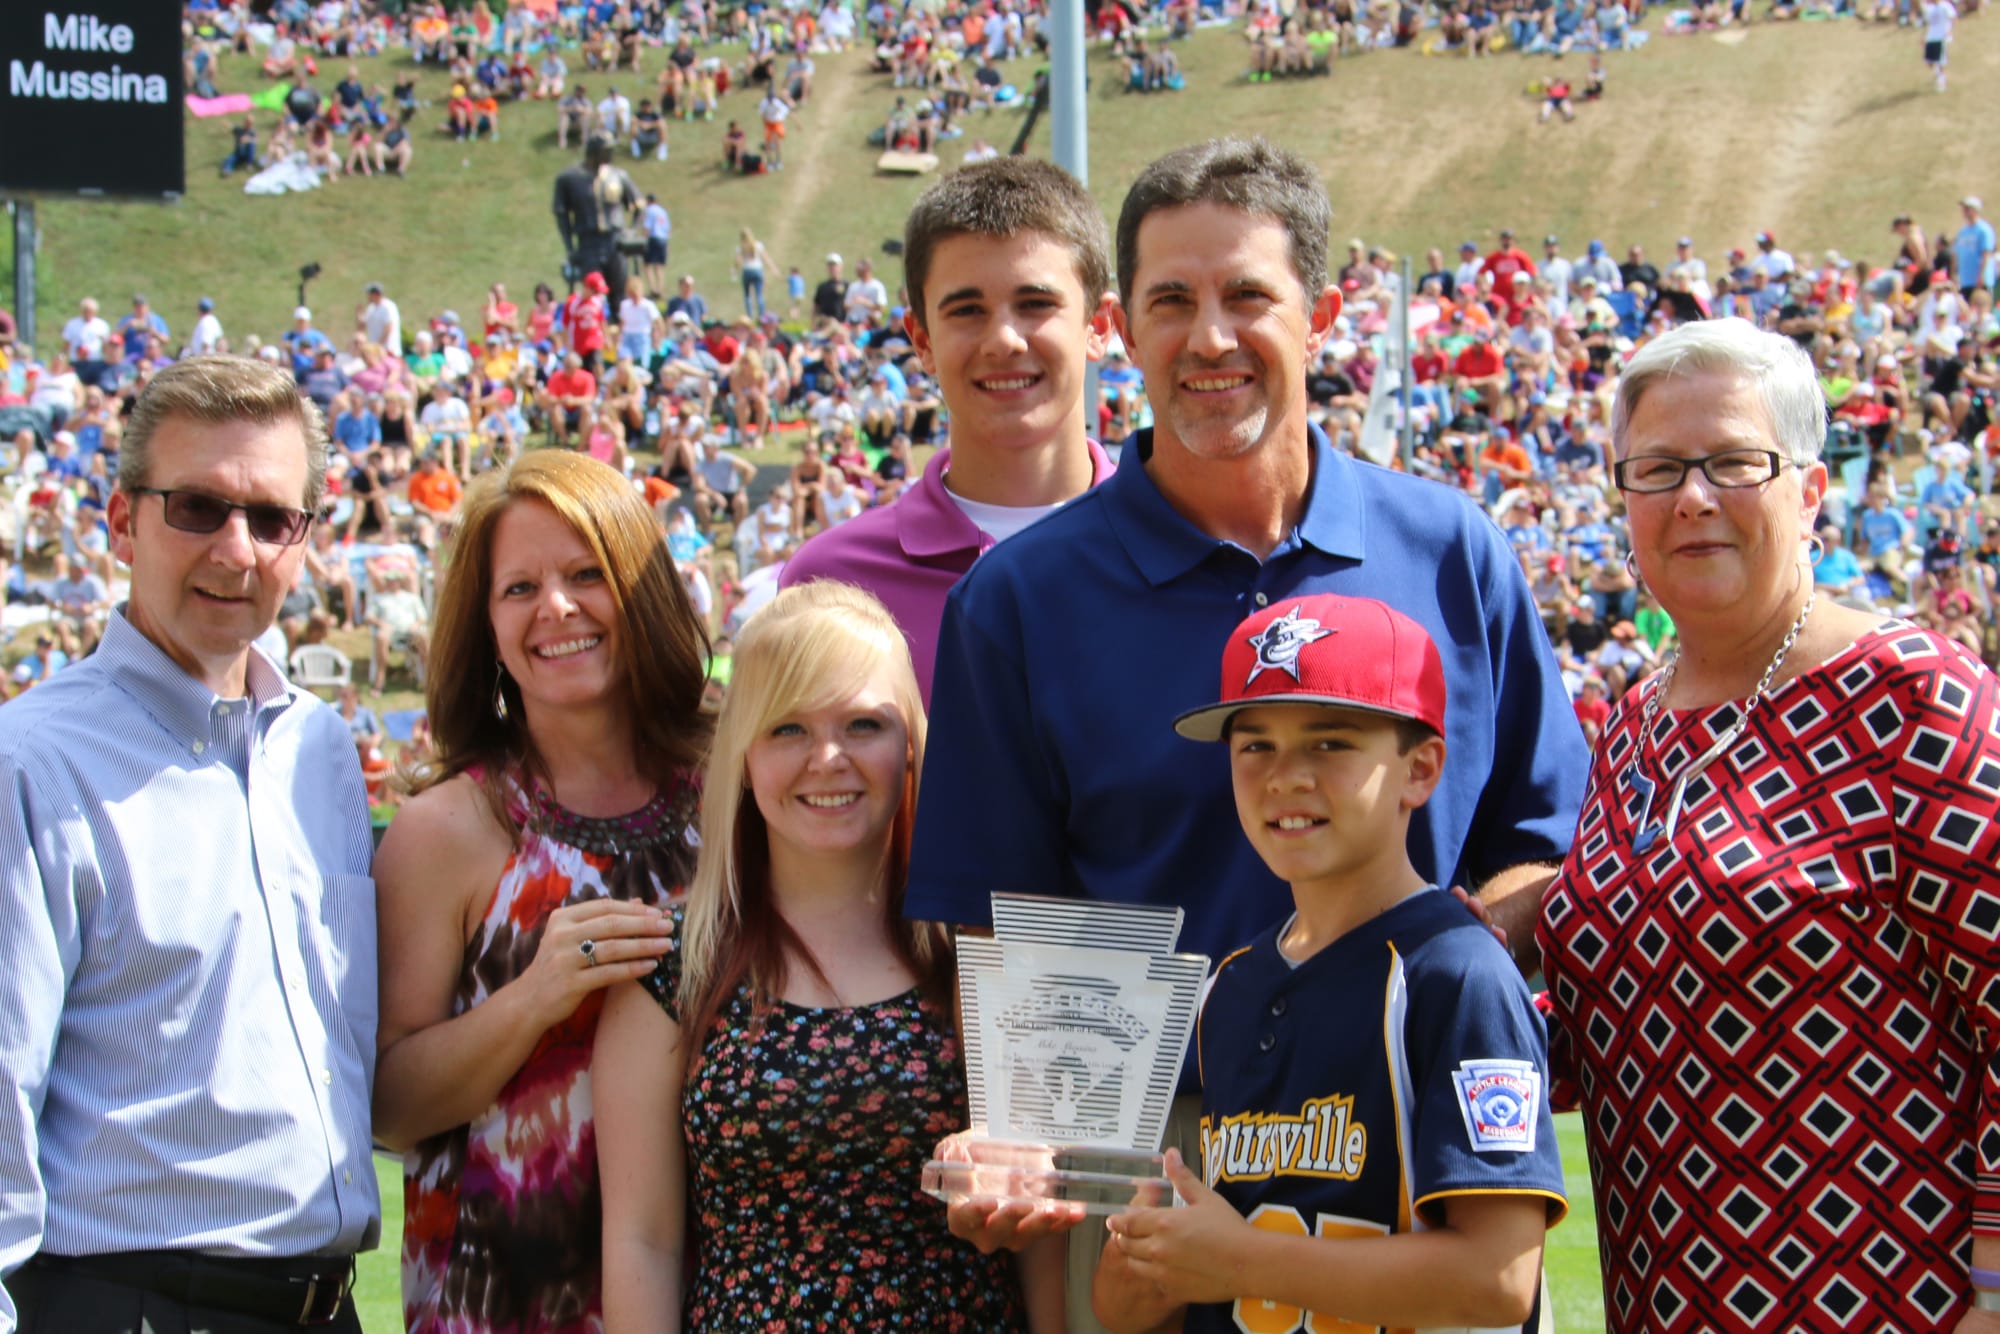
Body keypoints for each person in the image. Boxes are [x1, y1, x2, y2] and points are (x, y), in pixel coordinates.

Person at [915, 138, 1585, 1334]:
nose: (1207, 337)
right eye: (1171, 301)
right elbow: (997, 917)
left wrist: (1423, 968)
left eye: (1246, 296)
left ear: (1320, 314)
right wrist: (1025, 1131)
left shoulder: (1448, 549)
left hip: (1403, 1123)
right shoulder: (1021, 598)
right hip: (1148, 1140)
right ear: (1121, 326)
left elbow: (1541, 838)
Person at [1535, 318, 2000, 1331]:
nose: (1691, 496)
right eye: (1655, 468)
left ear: (1808, 488)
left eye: (1733, 461)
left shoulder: (1914, 695)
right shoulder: (1626, 727)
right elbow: (1613, 1026)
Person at [0, 356, 376, 1332]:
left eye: (271, 517)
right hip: (129, 1302)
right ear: (124, 522)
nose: (236, 548)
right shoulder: (32, 763)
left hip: (323, 1303)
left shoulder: (321, 752)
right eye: (198, 507)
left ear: (307, 537)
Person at [592, 581, 1058, 1332]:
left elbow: (1042, 1237)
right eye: (787, 730)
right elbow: (643, 1243)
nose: (828, 759)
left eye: (864, 723)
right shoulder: (672, 968)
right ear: (743, 756)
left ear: (911, 743)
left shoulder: (984, 955)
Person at [1093, 593, 1566, 1332]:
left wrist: (1237, 1259)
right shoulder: (1230, 986)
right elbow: (1128, 1311)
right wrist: (1150, 1260)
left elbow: (1496, 1279)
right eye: (1255, 745)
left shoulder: (1457, 973)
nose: (1286, 776)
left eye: (1331, 742)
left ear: (1420, 769)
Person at [372, 450, 710, 1334]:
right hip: (499, 1298)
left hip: (714, 1289)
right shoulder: (447, 829)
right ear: (484, 626)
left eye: (586, 574)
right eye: (518, 589)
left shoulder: (735, 793)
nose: (556, 609)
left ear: (642, 589)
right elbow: (388, 1104)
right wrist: (534, 1000)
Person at [780, 157, 1117, 701]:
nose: (1003, 340)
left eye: (1035, 304)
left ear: (1097, 326)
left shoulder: (1180, 553)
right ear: (922, 340)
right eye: (966, 311)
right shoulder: (829, 584)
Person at [553, 135, 641, 306]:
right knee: (593, 292)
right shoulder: (569, 178)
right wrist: (569, 246)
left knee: (620, 290)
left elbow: (639, 205)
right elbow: (561, 214)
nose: (610, 154)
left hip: (615, 240)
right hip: (588, 241)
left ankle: (617, 326)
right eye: (607, 151)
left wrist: (631, 230)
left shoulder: (618, 175)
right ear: (594, 152)